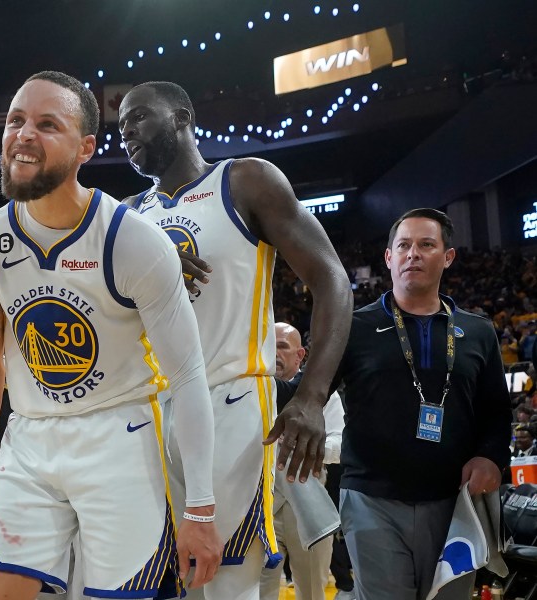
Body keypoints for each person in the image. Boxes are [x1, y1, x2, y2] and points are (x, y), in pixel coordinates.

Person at [0, 70, 221, 600]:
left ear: (86, 148)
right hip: (29, 439)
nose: (24, 134)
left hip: (119, 439)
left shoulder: (133, 241)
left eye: (47, 124)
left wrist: (201, 509)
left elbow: (188, 375)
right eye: (16, 120)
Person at [118, 81, 352, 599]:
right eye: (119, 127)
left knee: (227, 578)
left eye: (138, 117)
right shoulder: (128, 214)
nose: (126, 131)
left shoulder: (245, 180)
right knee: (166, 579)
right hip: (149, 411)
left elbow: (333, 279)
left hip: (231, 397)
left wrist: (312, 396)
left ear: (182, 116)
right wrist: (145, 270)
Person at [332, 208, 511, 600]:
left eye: (426, 245)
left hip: (454, 502)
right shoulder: (351, 326)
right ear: (389, 258)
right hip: (371, 498)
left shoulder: (478, 331)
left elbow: (497, 412)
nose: (413, 253)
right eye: (404, 245)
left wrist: (490, 457)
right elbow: (308, 393)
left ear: (447, 257)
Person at [259, 322, 344, 600]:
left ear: (300, 355)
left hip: (306, 505)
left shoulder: (321, 395)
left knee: (312, 593)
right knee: (259, 593)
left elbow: (340, 443)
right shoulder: (253, 389)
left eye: (282, 346)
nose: (274, 352)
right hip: (260, 505)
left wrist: (306, 445)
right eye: (269, 344)